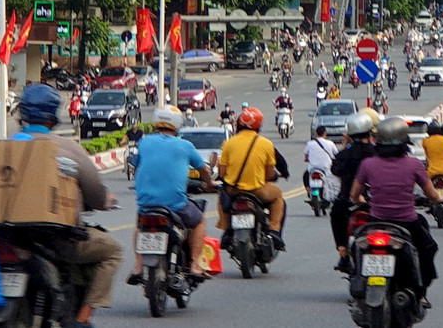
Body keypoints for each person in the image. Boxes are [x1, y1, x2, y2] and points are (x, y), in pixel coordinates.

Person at [14, 84, 122, 328]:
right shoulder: (69, 148)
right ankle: (82, 319)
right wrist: (106, 201)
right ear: (53, 116)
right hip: (56, 240)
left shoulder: (5, 146)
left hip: (11, 237)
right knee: (113, 250)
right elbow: (95, 194)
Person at [350, 118, 443, 313]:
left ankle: (358, 281)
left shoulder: (367, 164)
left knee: (355, 246)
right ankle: (421, 292)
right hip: (407, 223)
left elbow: (354, 195)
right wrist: (437, 199)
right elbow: (432, 194)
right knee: (428, 249)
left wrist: (364, 202)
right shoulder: (414, 165)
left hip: (376, 222)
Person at [126, 107, 215, 287]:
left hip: (146, 204)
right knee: (199, 222)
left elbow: (134, 164)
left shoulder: (144, 142)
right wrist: (209, 183)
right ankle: (195, 265)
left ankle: (137, 266)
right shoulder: (185, 145)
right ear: (177, 124)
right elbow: (203, 169)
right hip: (175, 205)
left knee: (139, 225)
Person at [217, 106, 286, 251]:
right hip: (257, 190)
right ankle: (274, 230)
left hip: (233, 191)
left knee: (221, 194)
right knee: (278, 196)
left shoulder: (229, 143)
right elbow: (268, 175)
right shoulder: (266, 144)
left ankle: (227, 230)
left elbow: (222, 174)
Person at [330, 112, 376, 272]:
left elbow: (335, 170)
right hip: (374, 203)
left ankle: (343, 253)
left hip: (347, 201)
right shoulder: (375, 153)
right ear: (369, 133)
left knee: (335, 216)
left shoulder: (345, 153)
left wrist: (345, 148)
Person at [303, 125, 338, 190]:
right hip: (326, 168)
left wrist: (307, 159)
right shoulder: (330, 143)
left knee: (305, 176)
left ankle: (308, 189)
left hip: (312, 168)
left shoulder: (310, 143)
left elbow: (306, 157)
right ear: (325, 133)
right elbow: (336, 155)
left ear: (316, 133)